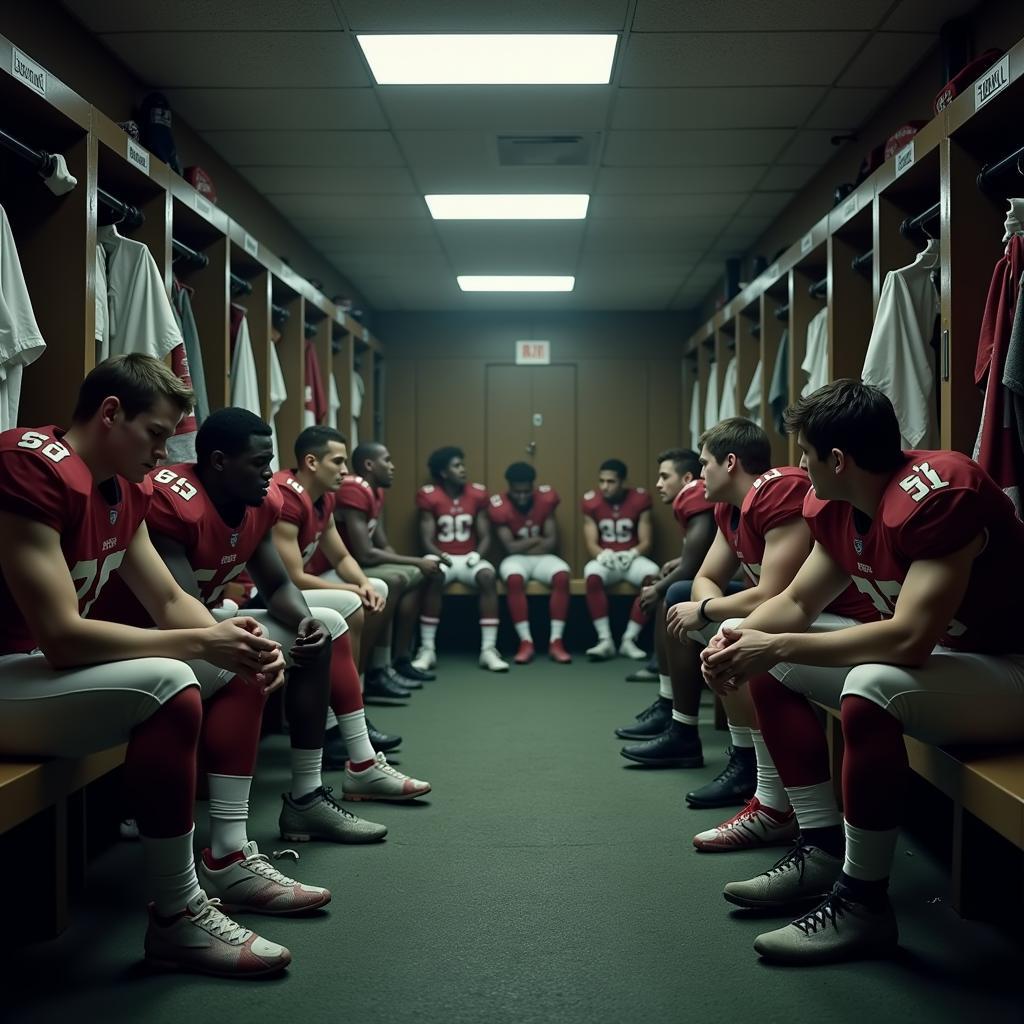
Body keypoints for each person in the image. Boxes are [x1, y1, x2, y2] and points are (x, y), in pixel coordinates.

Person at [702, 381, 1024, 964]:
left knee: (868, 685)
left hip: (1010, 669)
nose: (799, 464)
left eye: (805, 452)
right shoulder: (839, 505)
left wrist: (771, 644)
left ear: (838, 460)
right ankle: (821, 848)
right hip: (954, 666)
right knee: (767, 655)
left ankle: (863, 904)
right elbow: (797, 604)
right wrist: (738, 639)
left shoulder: (938, 493)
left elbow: (909, 638)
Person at [0, 354, 296, 977]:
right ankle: (176, 913)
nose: (165, 451)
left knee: (242, 654)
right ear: (111, 414)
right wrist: (198, 644)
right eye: (157, 433)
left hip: (37, 674)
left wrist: (225, 635)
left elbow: (166, 600)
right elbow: (60, 638)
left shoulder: (126, 485)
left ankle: (230, 854)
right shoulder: (29, 466)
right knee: (171, 678)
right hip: (13, 668)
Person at [654, 419, 873, 857]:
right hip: (812, 614)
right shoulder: (728, 506)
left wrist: (710, 612)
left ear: (730, 462)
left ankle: (777, 802)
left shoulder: (780, 491)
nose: (801, 466)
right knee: (706, 615)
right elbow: (705, 578)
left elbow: (778, 593)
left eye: (704, 465)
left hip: (850, 621)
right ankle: (754, 777)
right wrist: (709, 610)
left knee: (746, 642)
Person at [270, 427, 411, 706]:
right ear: (311, 462)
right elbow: (293, 578)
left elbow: (342, 558)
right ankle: (347, 703)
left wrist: (364, 584)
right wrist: (351, 589)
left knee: (377, 588)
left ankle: (356, 687)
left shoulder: (325, 496)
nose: (345, 471)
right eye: (337, 462)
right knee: (352, 601)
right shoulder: (286, 497)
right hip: (274, 593)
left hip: (301, 585)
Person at [615, 448, 715, 742]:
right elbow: (698, 557)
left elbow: (693, 566)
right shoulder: (699, 497)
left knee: (670, 593)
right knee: (670, 587)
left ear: (686, 478)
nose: (658, 484)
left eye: (664, 476)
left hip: (739, 590)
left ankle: (671, 709)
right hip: (723, 581)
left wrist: (658, 588)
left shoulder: (694, 493)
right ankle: (666, 702)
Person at [334, 441, 446, 683]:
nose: (392, 466)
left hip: (359, 564)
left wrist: (412, 566)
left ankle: (399, 659)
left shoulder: (375, 490)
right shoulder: (353, 489)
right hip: (342, 567)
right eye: (387, 460)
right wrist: (415, 561)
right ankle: (375, 669)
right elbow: (365, 553)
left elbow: (382, 544)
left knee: (421, 574)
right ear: (369, 465)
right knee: (396, 580)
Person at [414, 446, 508, 673]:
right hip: (442, 555)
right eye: (457, 466)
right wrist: (440, 555)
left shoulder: (476, 494)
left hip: (468, 557)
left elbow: (486, 535)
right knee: (433, 575)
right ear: (444, 472)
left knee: (487, 576)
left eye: (462, 465)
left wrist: (477, 554)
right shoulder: (429, 495)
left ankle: (489, 649)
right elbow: (425, 537)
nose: (463, 470)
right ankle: (427, 648)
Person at [487, 461, 572, 664]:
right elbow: (510, 547)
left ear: (533, 486)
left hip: (543, 558)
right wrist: (536, 540)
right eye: (517, 492)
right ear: (509, 487)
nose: (522, 496)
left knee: (562, 575)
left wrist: (524, 543)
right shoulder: (499, 505)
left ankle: (556, 641)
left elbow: (551, 543)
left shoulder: (545, 499)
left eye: (526, 491)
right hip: (515, 560)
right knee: (514, 579)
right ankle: (525, 642)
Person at [580, 458, 658, 660]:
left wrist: (633, 553)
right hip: (607, 560)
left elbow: (646, 541)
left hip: (630, 559)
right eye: (601, 481)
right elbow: (591, 542)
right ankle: (604, 639)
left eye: (611, 481)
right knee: (592, 575)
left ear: (623, 482)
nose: (604, 486)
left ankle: (629, 639)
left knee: (652, 576)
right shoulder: (591, 501)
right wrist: (601, 554)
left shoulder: (639, 499)